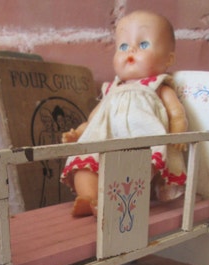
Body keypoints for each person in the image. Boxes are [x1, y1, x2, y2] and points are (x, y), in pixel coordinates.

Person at [60, 10, 188, 217]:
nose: (131, 50)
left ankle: (117, 205)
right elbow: (96, 119)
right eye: (123, 46)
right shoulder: (111, 89)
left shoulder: (157, 86)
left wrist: (179, 129)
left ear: (168, 59)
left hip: (139, 144)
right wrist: (79, 133)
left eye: (143, 45)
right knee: (83, 165)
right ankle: (90, 198)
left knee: (133, 173)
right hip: (105, 141)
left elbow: (176, 111)